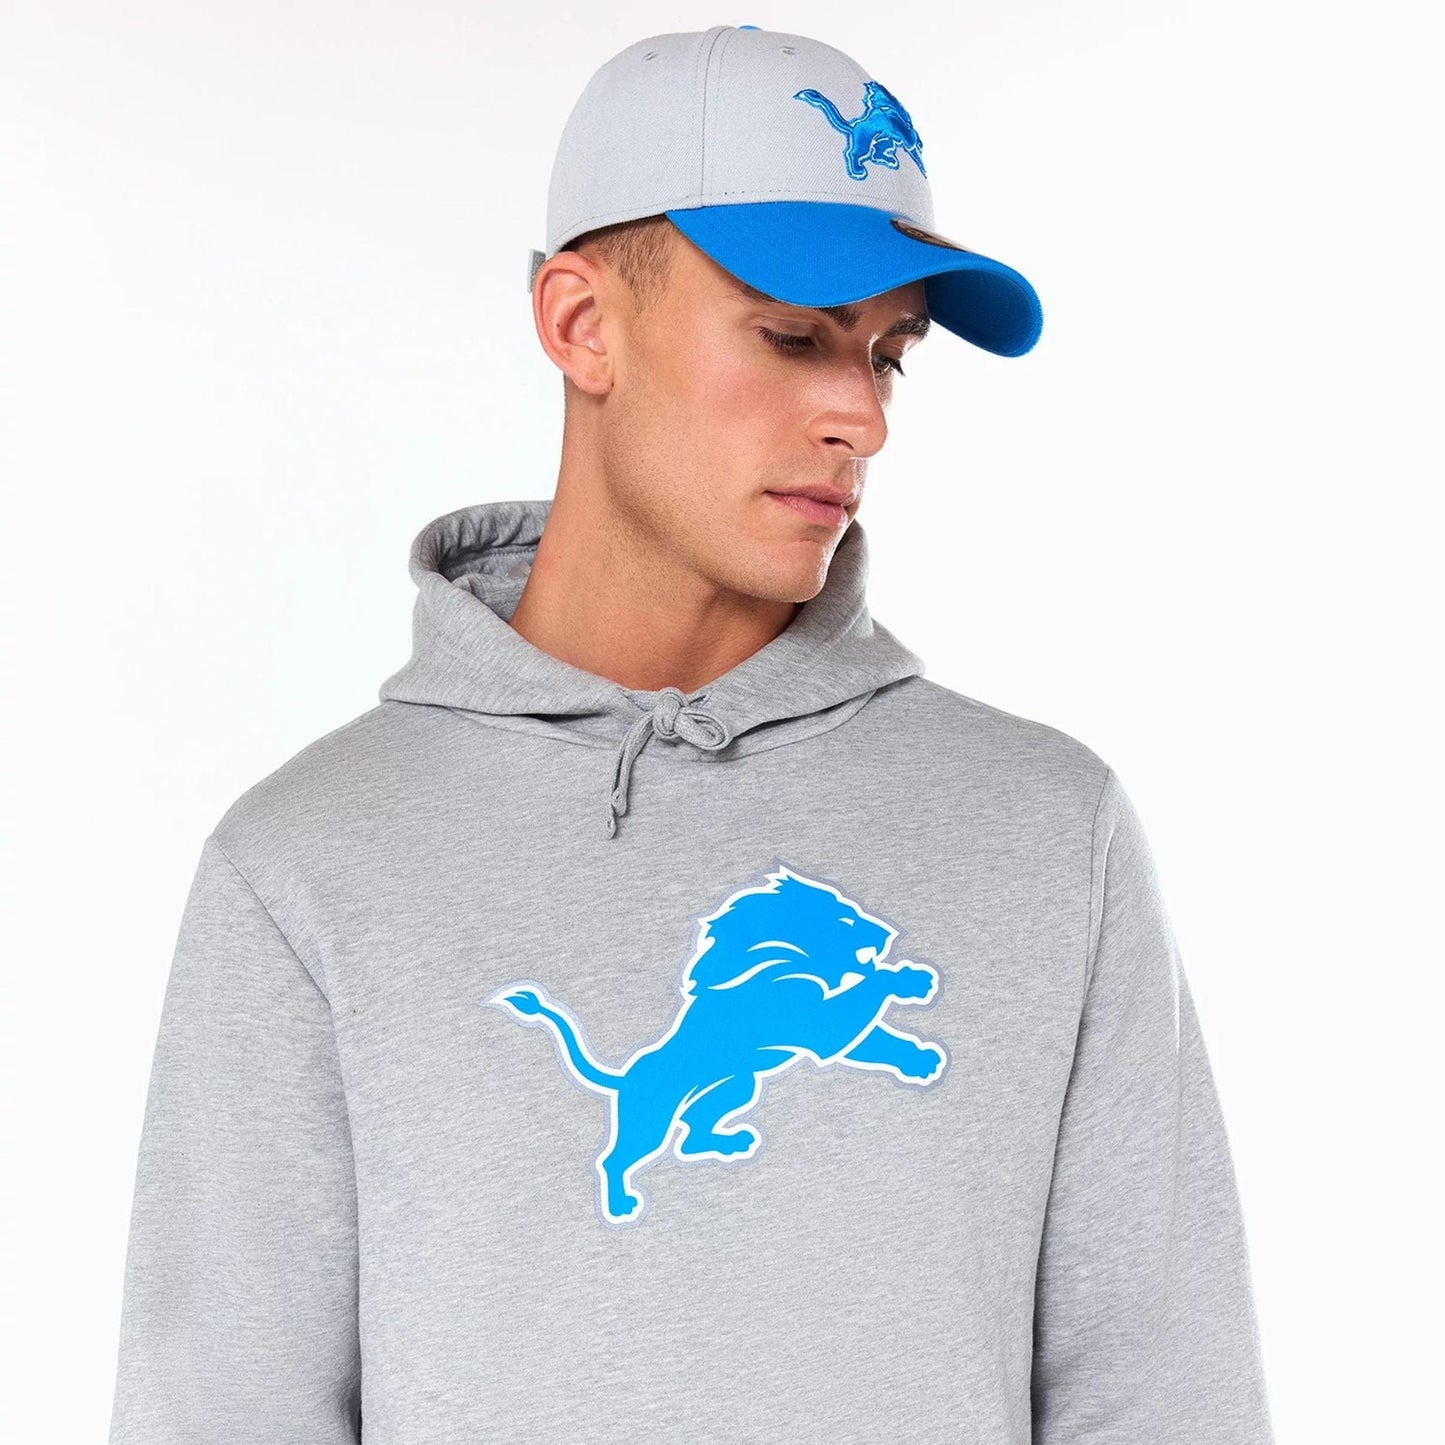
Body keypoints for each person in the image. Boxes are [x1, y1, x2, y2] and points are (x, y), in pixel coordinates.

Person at [107, 24, 1274, 1444]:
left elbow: (1166, 1401)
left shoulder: (1044, 829)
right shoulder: (307, 865)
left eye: (888, 354)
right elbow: (219, 1412)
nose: (860, 417)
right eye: (792, 335)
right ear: (579, 325)